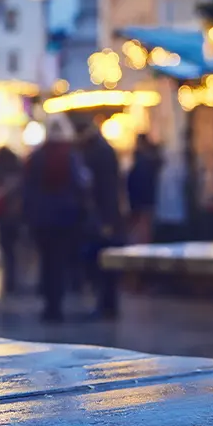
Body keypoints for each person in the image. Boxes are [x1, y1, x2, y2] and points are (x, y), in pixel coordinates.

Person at [23, 115, 90, 322]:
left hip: (42, 218)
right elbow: (82, 184)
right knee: (60, 262)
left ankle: (49, 304)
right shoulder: (72, 156)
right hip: (66, 217)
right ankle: (58, 302)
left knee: (47, 261)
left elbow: (28, 189)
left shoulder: (37, 157)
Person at [77, 117, 123, 319]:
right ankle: (106, 304)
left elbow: (107, 189)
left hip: (103, 217)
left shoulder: (98, 152)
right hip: (103, 216)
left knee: (102, 263)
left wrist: (108, 220)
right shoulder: (99, 150)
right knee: (101, 263)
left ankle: (107, 304)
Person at [0, 146, 25, 296]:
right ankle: (12, 279)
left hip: (2, 215)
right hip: (15, 216)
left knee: (5, 248)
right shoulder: (18, 170)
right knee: (12, 250)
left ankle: (10, 279)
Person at [126, 134, 163, 245]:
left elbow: (137, 182)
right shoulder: (149, 161)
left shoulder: (142, 163)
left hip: (142, 202)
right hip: (145, 202)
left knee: (142, 231)